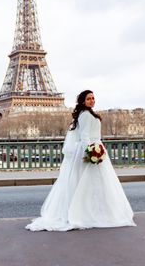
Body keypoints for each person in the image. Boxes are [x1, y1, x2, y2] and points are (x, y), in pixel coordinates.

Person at [26, 90, 136, 231]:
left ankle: (89, 212)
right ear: (83, 101)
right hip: (90, 149)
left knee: (87, 183)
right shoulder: (85, 115)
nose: (92, 100)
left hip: (95, 147)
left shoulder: (88, 114)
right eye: (89, 98)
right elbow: (84, 136)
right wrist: (90, 152)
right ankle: (95, 212)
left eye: (93, 98)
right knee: (94, 183)